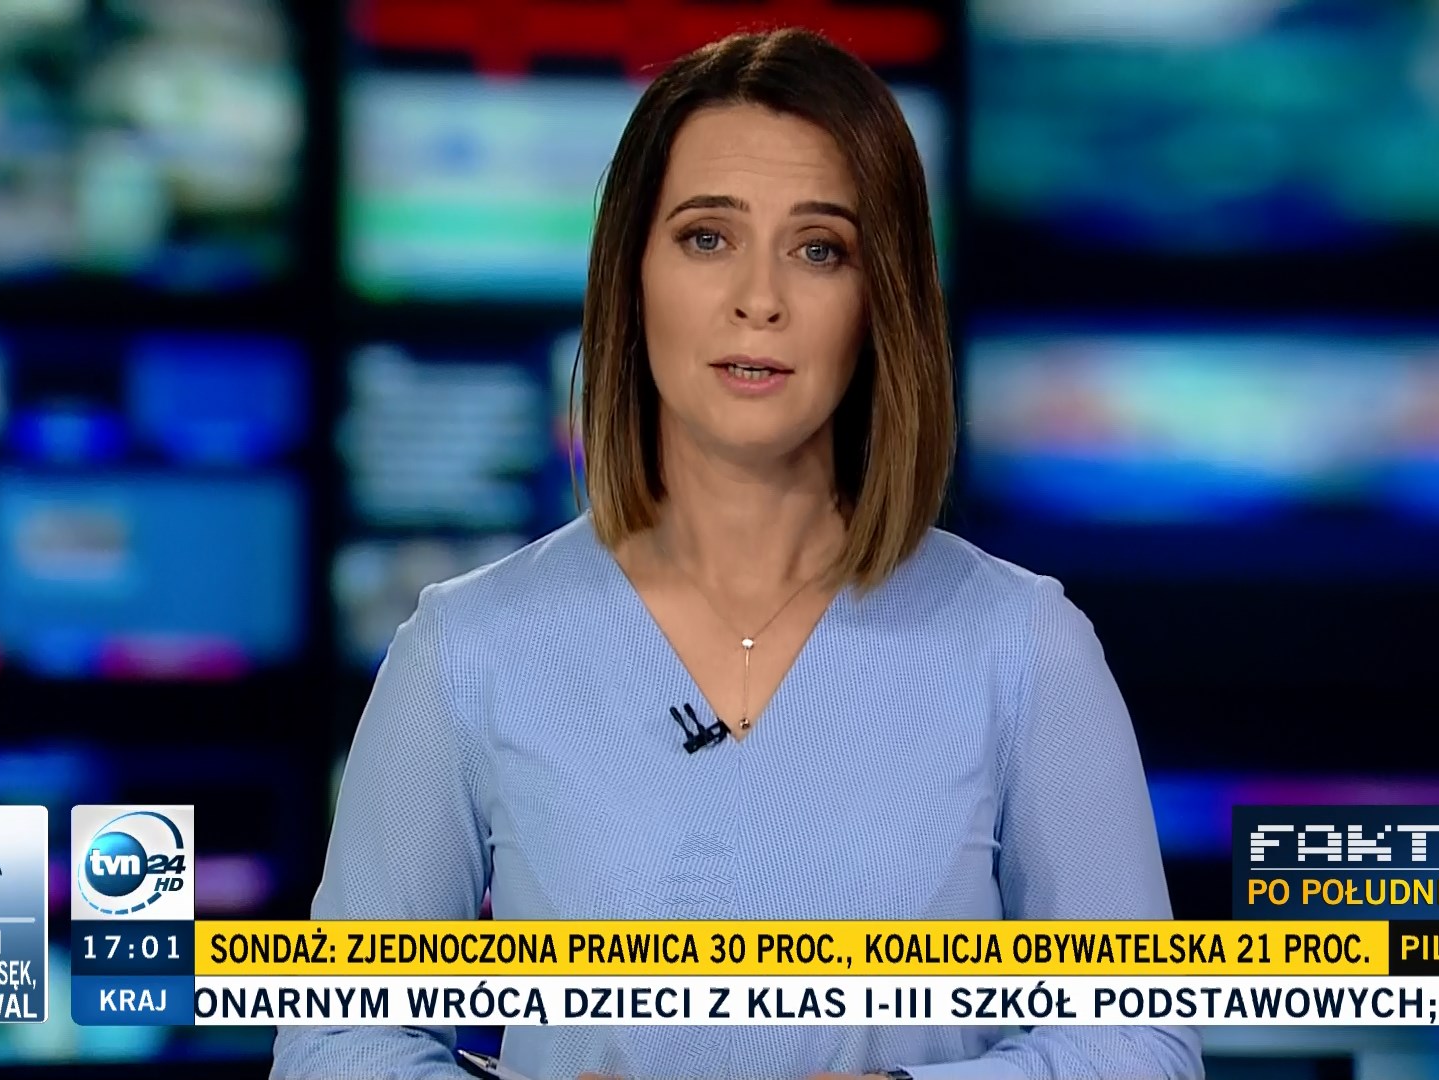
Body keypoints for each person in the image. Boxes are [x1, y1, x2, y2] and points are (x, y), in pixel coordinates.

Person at [273, 26, 1201, 1080]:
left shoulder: (1023, 647)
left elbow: (1140, 1044)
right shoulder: (467, 649)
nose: (759, 298)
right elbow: (334, 1042)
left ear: (882, 300)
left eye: (819, 249)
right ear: (632, 274)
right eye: (707, 237)